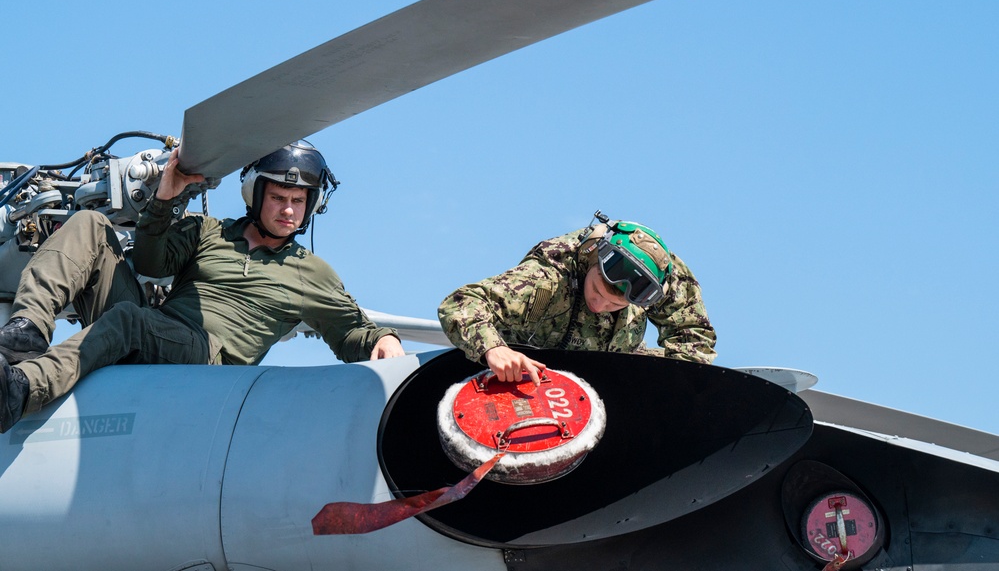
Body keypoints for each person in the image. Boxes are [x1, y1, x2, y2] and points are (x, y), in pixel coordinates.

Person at [0, 140, 404, 433]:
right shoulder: (209, 232)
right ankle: (27, 331)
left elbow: (350, 330)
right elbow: (148, 261)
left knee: (129, 321)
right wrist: (165, 198)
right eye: (279, 196)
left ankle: (21, 391)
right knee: (89, 224)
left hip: (208, 364)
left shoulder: (310, 272)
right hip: (157, 331)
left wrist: (381, 340)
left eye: (298, 201)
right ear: (255, 194)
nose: (287, 210)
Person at [437, 212, 716, 385]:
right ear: (590, 258)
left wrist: (673, 389)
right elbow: (461, 302)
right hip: (528, 378)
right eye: (596, 290)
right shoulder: (546, 279)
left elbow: (692, 337)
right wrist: (494, 350)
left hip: (615, 369)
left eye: (614, 304)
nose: (599, 305)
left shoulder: (661, 277)